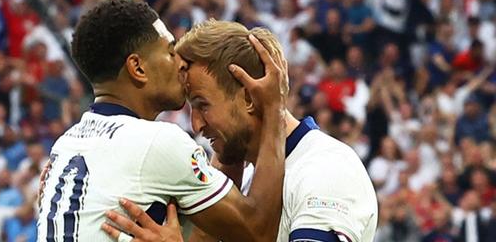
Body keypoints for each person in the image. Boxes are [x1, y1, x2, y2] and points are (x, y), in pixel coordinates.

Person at [37, 0, 287, 241]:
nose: (181, 62)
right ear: (138, 68)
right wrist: (274, 107)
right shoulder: (156, 142)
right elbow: (258, 231)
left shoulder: (65, 145)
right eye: (170, 52)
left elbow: (212, 230)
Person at [104, 20, 378, 242]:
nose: (197, 125)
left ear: (248, 97)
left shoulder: (326, 170)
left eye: (202, 105)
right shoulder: (246, 183)